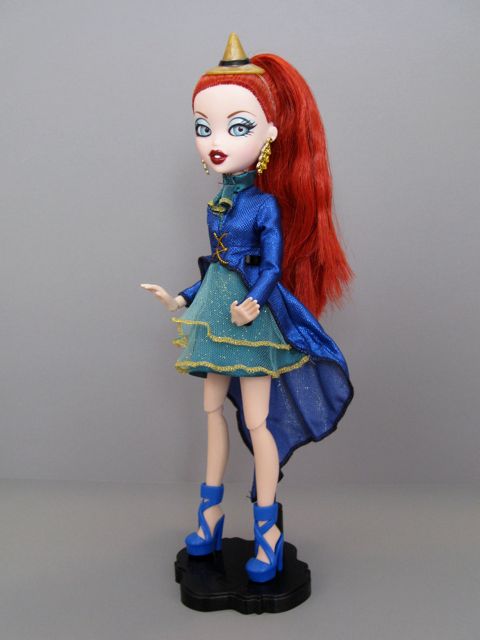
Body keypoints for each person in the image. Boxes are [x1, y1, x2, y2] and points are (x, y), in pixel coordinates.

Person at [141, 33, 354, 583]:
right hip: (216, 314)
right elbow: (215, 268)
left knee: (257, 422)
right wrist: (180, 297)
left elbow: (271, 266)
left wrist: (253, 302)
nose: (215, 142)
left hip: (250, 320)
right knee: (212, 411)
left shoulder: (262, 205)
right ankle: (209, 519)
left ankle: (267, 533)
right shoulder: (217, 203)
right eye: (203, 127)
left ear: (269, 134)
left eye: (237, 127)